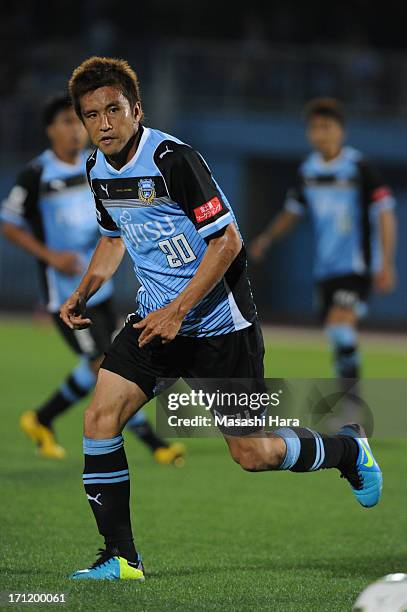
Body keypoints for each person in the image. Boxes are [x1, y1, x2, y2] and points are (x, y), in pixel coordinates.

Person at [62, 58, 383, 581]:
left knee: (253, 454)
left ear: (135, 109)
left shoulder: (173, 160)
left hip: (219, 326)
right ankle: (121, 558)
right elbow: (114, 236)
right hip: (155, 323)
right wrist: (85, 289)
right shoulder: (98, 169)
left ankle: (348, 449)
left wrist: (179, 309)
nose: (104, 123)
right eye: (92, 114)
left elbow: (227, 241)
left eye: (114, 110)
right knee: (99, 420)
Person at [0, 93, 185, 465]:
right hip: (66, 294)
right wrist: (50, 256)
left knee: (100, 363)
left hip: (101, 286)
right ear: (51, 130)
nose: (75, 130)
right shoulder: (37, 174)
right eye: (67, 122)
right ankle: (154, 443)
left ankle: (41, 419)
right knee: (105, 364)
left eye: (77, 122)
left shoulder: (96, 166)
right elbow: (9, 224)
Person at [250, 98, 397, 381]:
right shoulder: (309, 171)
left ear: (341, 131)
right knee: (335, 333)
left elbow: (385, 213)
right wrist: (267, 238)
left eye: (327, 126)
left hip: (357, 264)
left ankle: (351, 399)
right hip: (325, 267)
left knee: (340, 327)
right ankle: (347, 391)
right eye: (315, 127)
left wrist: (387, 263)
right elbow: (292, 212)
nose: (321, 133)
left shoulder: (359, 167)